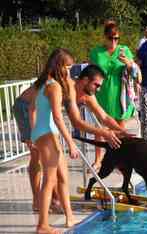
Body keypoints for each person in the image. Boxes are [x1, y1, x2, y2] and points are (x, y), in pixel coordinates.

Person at [31, 48, 78, 234]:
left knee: (62, 177)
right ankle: (42, 225)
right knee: (49, 180)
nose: (69, 71)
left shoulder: (42, 83)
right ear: (60, 66)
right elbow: (58, 118)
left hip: (43, 133)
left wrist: (34, 133)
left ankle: (69, 215)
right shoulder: (54, 86)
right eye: (68, 67)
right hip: (48, 133)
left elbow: (31, 109)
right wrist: (71, 142)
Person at [90, 20, 137, 163]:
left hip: (119, 93)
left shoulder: (124, 50)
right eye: (110, 38)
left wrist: (127, 62)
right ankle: (98, 159)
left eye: (116, 38)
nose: (113, 41)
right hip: (102, 92)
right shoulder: (97, 52)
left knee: (120, 127)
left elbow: (134, 70)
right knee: (100, 128)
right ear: (105, 37)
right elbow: (90, 72)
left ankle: (120, 158)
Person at [71, 64, 134, 170]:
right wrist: (103, 133)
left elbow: (104, 117)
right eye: (96, 85)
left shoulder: (88, 95)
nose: (98, 89)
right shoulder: (70, 90)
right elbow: (76, 122)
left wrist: (121, 131)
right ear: (85, 80)